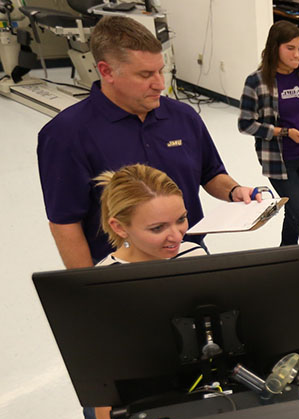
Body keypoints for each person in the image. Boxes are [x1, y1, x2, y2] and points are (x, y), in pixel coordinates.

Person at [37, 15, 257, 269]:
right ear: (107, 71)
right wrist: (90, 290)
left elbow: (211, 173)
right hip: (121, 266)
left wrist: (234, 191)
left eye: (160, 70)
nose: (160, 84)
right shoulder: (66, 135)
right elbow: (64, 222)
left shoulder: (183, 117)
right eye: (145, 74)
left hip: (187, 252)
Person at [86, 163, 208, 419]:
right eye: (157, 228)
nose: (177, 236)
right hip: (144, 409)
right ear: (119, 227)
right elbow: (103, 389)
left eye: (181, 219)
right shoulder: (102, 286)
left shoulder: (193, 255)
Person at [239, 21, 299, 246]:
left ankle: (286, 254)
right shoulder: (256, 81)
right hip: (279, 162)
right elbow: (245, 124)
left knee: (294, 213)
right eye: (290, 48)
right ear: (275, 47)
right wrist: (285, 132)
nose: (297, 55)